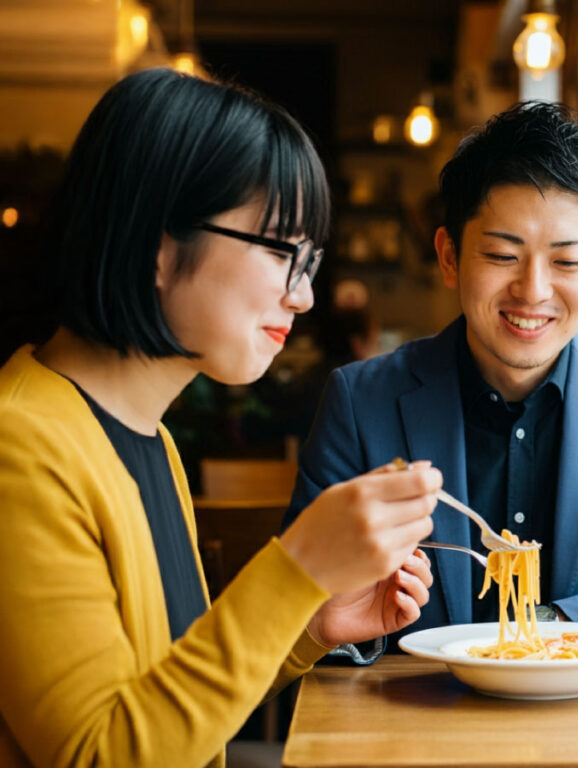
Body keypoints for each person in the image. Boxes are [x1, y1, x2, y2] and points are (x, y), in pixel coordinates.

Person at [0, 68, 442, 768]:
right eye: (278, 251)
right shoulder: (19, 446)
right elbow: (101, 754)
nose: (301, 297)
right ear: (158, 245)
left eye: (311, 261)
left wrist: (312, 623)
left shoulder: (150, 438)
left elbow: (171, 701)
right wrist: (297, 567)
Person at [285, 101, 578, 655]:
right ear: (449, 257)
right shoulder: (361, 401)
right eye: (502, 254)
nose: (533, 291)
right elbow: (296, 615)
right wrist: (338, 627)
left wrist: (555, 623)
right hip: (420, 728)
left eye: (566, 262)